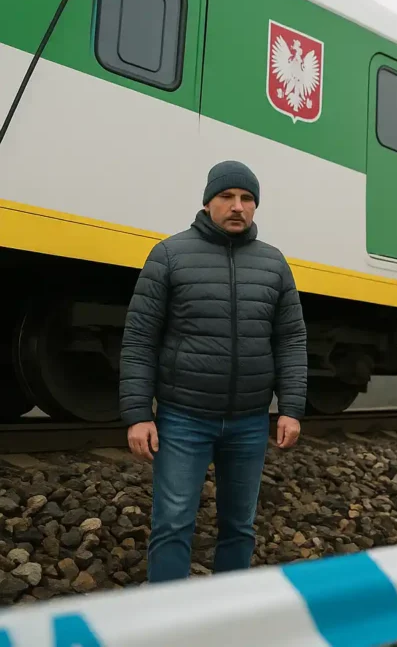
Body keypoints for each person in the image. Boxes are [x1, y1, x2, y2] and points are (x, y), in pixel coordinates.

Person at [119, 160, 308, 583]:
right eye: (226, 197)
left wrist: (292, 408)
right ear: (207, 203)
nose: (237, 206)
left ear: (255, 206)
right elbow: (139, 339)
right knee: (172, 525)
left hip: (249, 422)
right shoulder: (169, 255)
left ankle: (226, 620)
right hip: (183, 417)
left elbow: (291, 340)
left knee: (239, 527)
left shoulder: (274, 264)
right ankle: (166, 621)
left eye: (246, 198)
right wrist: (137, 414)